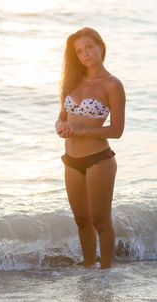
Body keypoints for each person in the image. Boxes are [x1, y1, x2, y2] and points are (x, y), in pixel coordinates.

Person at [55, 27, 125, 269]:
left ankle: (106, 274)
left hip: (99, 159)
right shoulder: (71, 82)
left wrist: (83, 131)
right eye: (79, 51)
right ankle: (88, 270)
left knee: (100, 221)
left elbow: (117, 130)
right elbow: (61, 117)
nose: (85, 54)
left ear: (100, 47)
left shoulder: (112, 84)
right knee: (82, 220)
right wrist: (61, 126)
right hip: (71, 159)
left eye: (89, 47)